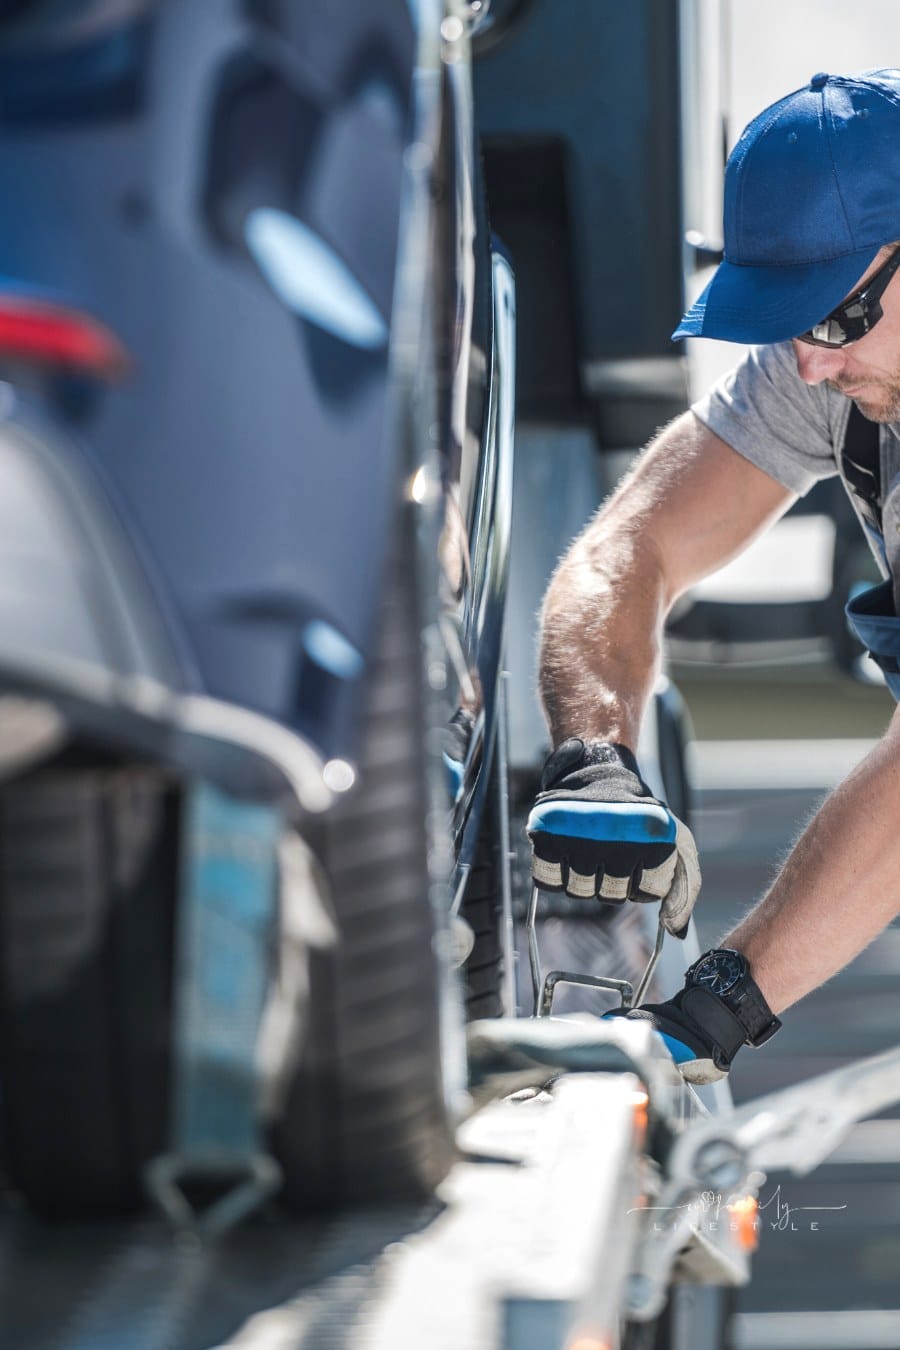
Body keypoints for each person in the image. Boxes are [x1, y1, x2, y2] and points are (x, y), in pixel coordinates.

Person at [527, 68, 900, 1084]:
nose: (811, 362)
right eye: (790, 320)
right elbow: (627, 549)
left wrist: (719, 1004)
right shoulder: (831, 362)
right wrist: (596, 759)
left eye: (834, 317)